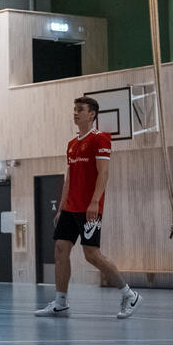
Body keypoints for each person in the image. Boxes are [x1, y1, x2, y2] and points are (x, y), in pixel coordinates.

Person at [35, 96, 143, 319]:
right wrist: (62, 206)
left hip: (89, 208)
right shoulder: (72, 145)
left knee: (91, 255)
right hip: (70, 208)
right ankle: (60, 302)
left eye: (80, 110)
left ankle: (129, 294)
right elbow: (69, 178)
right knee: (60, 250)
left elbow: (103, 172)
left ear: (92, 114)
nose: (75, 113)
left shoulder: (100, 139)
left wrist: (95, 201)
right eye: (74, 109)